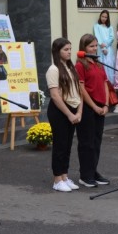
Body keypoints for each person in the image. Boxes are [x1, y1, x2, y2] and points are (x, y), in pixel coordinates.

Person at [45, 38, 83, 192]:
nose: (69, 52)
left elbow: (78, 91)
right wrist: (69, 114)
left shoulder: (70, 67)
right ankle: (57, 179)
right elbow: (55, 95)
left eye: (70, 49)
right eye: (65, 50)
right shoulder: (53, 69)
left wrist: (79, 111)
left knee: (67, 144)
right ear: (57, 51)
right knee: (60, 144)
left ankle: (65, 176)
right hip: (60, 111)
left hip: (73, 108)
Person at [75, 34, 110, 188]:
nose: (95, 49)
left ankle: (93, 170)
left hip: (101, 106)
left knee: (96, 142)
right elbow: (81, 88)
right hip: (88, 107)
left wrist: (106, 105)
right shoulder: (80, 65)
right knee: (87, 142)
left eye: (96, 46)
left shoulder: (98, 64)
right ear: (84, 48)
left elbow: (105, 84)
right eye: (91, 46)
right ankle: (85, 174)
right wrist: (94, 106)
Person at [92, 10, 115, 85]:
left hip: (108, 48)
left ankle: (110, 83)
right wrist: (102, 47)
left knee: (109, 64)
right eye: (102, 16)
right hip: (100, 48)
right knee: (102, 64)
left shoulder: (110, 27)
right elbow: (97, 36)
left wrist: (106, 45)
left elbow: (112, 38)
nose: (104, 18)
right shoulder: (96, 26)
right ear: (100, 16)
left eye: (106, 17)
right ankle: (103, 83)